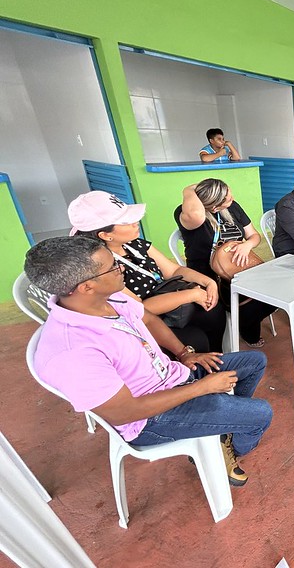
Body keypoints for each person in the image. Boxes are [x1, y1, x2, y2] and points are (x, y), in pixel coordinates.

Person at [25, 236, 273, 486]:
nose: (121, 267)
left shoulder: (108, 299)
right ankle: (229, 449)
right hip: (150, 418)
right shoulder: (70, 353)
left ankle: (223, 433)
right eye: (112, 266)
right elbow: (125, 412)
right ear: (86, 287)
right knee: (261, 413)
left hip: (172, 375)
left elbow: (150, 319)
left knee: (254, 362)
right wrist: (202, 388)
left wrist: (185, 353)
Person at [69, 191, 227, 353]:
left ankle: (218, 359)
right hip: (141, 320)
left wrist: (208, 282)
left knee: (213, 312)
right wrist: (191, 295)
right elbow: (138, 308)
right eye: (126, 222)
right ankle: (194, 373)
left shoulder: (134, 244)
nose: (135, 222)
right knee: (195, 339)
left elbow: (174, 270)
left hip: (170, 304)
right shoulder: (101, 268)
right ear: (105, 235)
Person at [175, 178, 276, 348]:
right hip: (208, 276)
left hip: (240, 268)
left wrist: (246, 245)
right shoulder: (189, 214)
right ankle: (246, 327)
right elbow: (197, 214)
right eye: (227, 198)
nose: (233, 199)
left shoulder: (232, 207)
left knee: (275, 291)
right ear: (214, 207)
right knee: (252, 305)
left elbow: (254, 235)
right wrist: (188, 189)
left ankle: (246, 324)